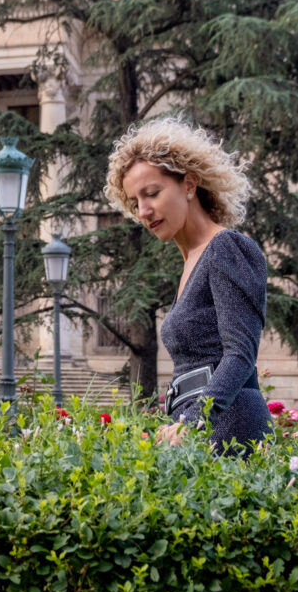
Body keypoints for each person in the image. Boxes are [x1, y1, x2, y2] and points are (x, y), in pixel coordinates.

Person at [104, 117, 272, 455]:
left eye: (152, 193)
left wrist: (194, 420)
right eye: (135, 203)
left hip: (230, 423)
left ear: (190, 185)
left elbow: (240, 354)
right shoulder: (192, 263)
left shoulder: (226, 247)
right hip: (196, 427)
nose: (144, 211)